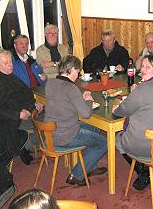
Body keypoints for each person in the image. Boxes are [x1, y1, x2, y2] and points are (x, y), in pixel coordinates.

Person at [112, 55, 153, 190]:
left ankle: (143, 172)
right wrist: (136, 92)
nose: (143, 69)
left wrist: (115, 108)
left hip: (149, 146)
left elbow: (122, 110)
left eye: (148, 67)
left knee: (117, 139)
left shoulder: (142, 89)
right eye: (143, 66)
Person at [45, 55, 108, 186]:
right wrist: (88, 100)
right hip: (67, 136)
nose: (78, 75)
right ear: (72, 69)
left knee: (94, 127)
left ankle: (89, 166)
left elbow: (63, 101)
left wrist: (79, 99)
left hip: (50, 133)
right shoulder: (71, 88)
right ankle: (77, 175)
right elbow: (85, 113)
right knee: (105, 143)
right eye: (78, 72)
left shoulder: (50, 83)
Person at [0, 49, 44, 166]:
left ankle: (27, 146)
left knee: (48, 114)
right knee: (48, 121)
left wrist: (33, 104)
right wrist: (18, 114)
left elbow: (21, 95)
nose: (10, 64)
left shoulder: (8, 75)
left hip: (25, 111)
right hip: (11, 122)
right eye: (5, 62)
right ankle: (26, 146)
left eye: (10, 61)